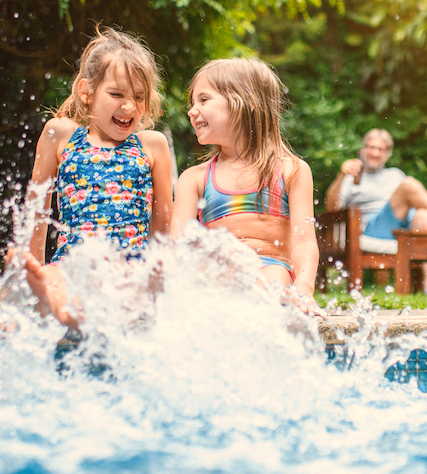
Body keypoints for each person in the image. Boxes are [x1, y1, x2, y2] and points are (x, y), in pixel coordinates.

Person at [20, 26, 175, 327]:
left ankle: (68, 312)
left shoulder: (152, 146)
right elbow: (37, 210)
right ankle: (47, 299)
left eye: (139, 97)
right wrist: (34, 270)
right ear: (86, 92)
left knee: (117, 290)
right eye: (116, 94)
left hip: (128, 270)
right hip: (71, 265)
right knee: (48, 277)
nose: (129, 106)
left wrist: (159, 288)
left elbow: (162, 230)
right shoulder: (59, 134)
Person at [170, 57, 321, 315]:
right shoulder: (194, 178)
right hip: (214, 275)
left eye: (204, 100)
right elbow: (178, 246)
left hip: (271, 269)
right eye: (192, 103)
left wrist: (304, 289)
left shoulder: (291, 170)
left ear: (247, 102)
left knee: (273, 280)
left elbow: (303, 240)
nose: (192, 111)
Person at [324, 129, 427, 296]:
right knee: (409, 184)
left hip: (403, 226)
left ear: (387, 155)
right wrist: (341, 176)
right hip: (373, 228)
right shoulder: (351, 177)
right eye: (371, 147)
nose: (375, 153)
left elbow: (416, 199)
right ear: (362, 150)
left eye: (380, 149)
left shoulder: (394, 175)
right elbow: (332, 207)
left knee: (425, 215)